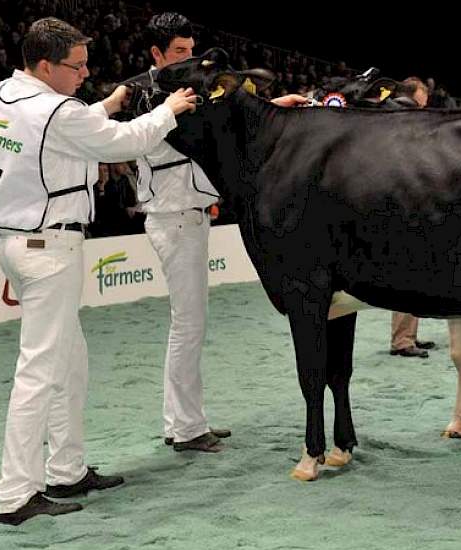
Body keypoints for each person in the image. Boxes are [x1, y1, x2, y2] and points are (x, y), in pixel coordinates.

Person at [0, 17, 198, 526]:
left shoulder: (2, 95)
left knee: (68, 362)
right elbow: (120, 144)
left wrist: (106, 104)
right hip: (49, 245)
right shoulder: (58, 111)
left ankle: (66, 468)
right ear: (44, 65)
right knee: (38, 371)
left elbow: (68, 131)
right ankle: (15, 493)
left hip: (19, 241)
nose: (84, 74)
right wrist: (168, 110)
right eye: (75, 66)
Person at [131, 12, 308, 452]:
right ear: (156, 54)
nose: (187, 60)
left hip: (190, 213)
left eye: (190, 51)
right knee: (188, 324)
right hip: (173, 215)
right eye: (178, 53)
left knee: (188, 324)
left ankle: (182, 421)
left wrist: (273, 106)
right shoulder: (144, 95)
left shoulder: (187, 90)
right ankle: (187, 429)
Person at [388, 77, 436, 358]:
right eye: (423, 97)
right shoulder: (403, 121)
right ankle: (402, 341)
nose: (426, 102)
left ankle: (408, 335)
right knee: (406, 271)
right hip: (403, 205)